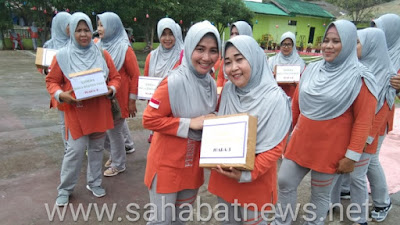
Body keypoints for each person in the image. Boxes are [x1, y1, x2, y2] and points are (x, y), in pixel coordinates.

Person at [272, 20, 377, 225]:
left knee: (319, 194)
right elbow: (296, 105)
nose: (328, 46)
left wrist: (352, 156)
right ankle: (281, 221)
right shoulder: (312, 69)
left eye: (336, 41)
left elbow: (364, 121)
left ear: (347, 43)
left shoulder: (361, 77)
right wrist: (286, 134)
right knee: (284, 181)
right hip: (301, 140)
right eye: (326, 40)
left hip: (331, 147)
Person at [142, 20, 220, 224]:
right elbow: (149, 119)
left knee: (180, 221)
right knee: (161, 221)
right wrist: (189, 123)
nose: (206, 57)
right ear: (189, 48)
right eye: (200, 49)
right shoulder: (173, 81)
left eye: (213, 51)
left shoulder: (211, 84)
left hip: (193, 166)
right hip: (167, 166)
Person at [208, 35, 291, 224]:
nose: (233, 68)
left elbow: (275, 147)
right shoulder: (228, 90)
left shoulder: (275, 98)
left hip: (255, 181)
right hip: (225, 177)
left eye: (239, 59)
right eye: (227, 62)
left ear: (254, 58)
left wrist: (247, 174)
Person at [45, 12, 121, 206]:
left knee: (96, 149)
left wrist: (111, 89)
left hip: (99, 109)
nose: (83, 34)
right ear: (71, 32)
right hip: (75, 111)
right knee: (75, 151)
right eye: (78, 30)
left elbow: (115, 78)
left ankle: (94, 183)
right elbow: (52, 81)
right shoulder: (62, 56)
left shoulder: (102, 54)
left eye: (86, 29)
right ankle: (65, 188)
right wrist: (61, 95)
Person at [331, 28, 395, 225]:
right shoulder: (354, 67)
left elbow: (380, 114)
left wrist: (363, 141)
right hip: (346, 132)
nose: (353, 46)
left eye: (358, 43)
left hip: (367, 136)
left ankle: (360, 217)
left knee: (358, 174)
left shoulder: (388, 77)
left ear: (371, 46)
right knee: (334, 168)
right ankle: (331, 203)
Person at [96, 12, 140, 176]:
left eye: (103, 25)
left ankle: (119, 164)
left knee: (114, 132)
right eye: (98, 25)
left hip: (119, 98)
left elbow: (135, 75)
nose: (99, 29)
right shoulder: (97, 45)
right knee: (104, 131)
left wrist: (132, 100)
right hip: (100, 97)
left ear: (113, 27)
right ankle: (116, 154)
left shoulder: (124, 48)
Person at [367, 13, 400, 222]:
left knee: (369, 159)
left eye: (380, 29)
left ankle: (382, 201)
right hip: (362, 110)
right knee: (351, 151)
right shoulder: (374, 51)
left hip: (381, 112)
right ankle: (345, 188)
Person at [144, 17, 184, 143]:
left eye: (171, 34)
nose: (167, 39)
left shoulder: (183, 56)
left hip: (175, 105)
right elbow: (146, 79)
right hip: (156, 103)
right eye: (164, 34)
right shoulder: (152, 56)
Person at [42, 11, 72, 153]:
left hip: (73, 87)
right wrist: (46, 71)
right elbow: (41, 67)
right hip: (59, 89)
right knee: (63, 121)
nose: (70, 28)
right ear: (60, 26)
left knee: (75, 118)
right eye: (68, 25)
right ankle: (68, 146)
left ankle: (76, 145)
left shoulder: (75, 43)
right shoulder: (49, 45)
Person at [216, 21, 253, 92]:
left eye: (237, 33)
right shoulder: (227, 56)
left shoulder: (255, 57)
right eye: (232, 34)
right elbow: (220, 78)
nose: (233, 37)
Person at [268, 31, 306, 99]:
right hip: (274, 98)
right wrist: (272, 77)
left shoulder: (300, 63)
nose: (286, 47)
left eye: (289, 44)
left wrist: (297, 83)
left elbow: (304, 84)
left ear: (293, 46)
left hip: (292, 97)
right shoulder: (272, 61)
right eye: (283, 44)